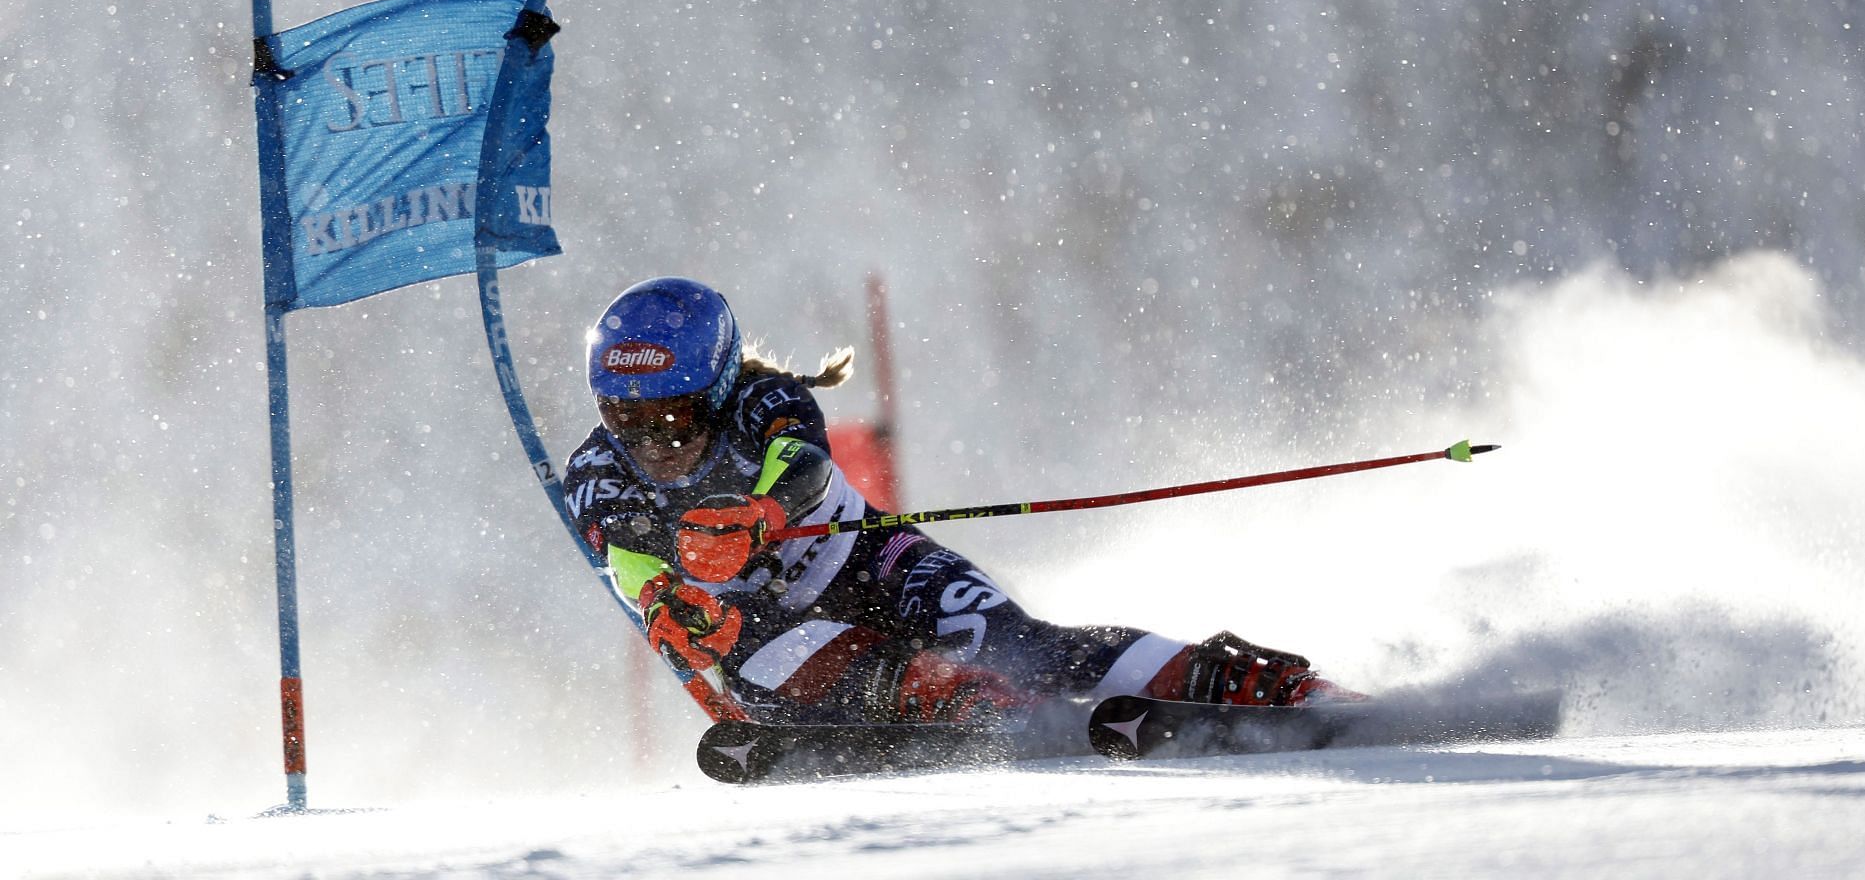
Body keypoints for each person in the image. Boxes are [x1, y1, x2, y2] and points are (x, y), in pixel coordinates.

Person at [564, 276, 1364, 725]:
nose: (654, 438)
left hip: (868, 559)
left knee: (1016, 640)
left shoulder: (765, 403)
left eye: (674, 412)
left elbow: (803, 464)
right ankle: (979, 711)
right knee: (824, 668)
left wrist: (761, 515)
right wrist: (665, 597)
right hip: (763, 624)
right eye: (625, 416)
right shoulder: (597, 469)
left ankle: (1227, 680)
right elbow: (623, 553)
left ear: (722, 380)